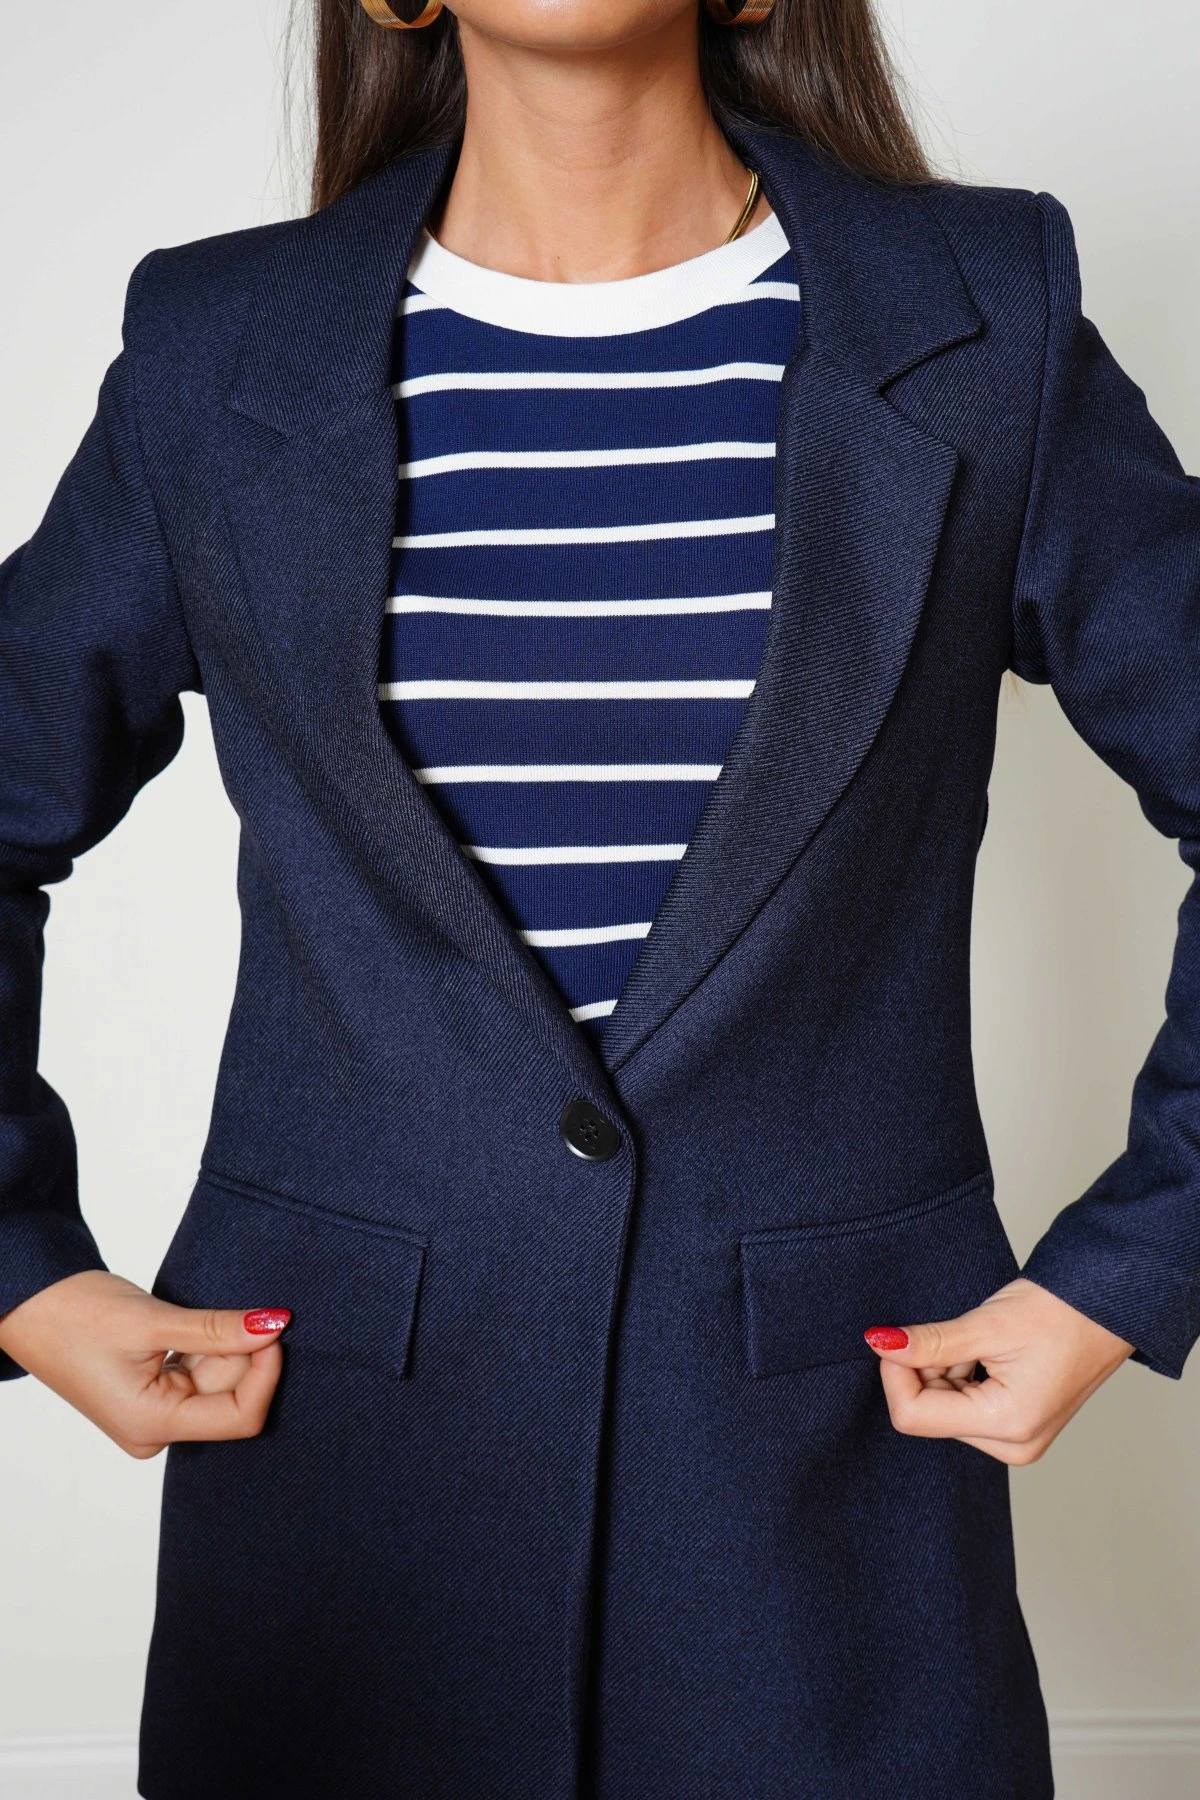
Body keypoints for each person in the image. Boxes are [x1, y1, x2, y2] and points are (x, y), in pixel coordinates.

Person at [1, 0, 1196, 1794]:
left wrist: (1129, 1271)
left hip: (828, 1520)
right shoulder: (220, 348)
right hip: (342, 1515)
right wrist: (23, 1273)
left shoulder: (977, 320)